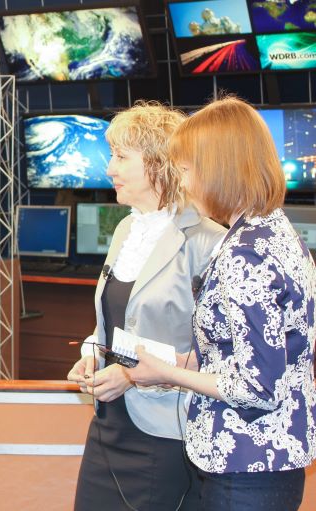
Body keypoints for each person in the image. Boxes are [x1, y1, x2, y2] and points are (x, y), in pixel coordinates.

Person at [126, 96, 316, 511]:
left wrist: (169, 375)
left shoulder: (246, 253)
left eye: (188, 171)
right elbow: (242, 351)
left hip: (245, 466)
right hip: (266, 463)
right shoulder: (275, 231)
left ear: (219, 169)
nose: (185, 184)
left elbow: (256, 386)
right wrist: (177, 362)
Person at [67, 102, 226, 510]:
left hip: (165, 433)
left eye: (121, 157)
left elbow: (219, 354)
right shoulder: (126, 229)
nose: (109, 168)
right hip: (109, 424)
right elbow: (115, 321)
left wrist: (132, 374)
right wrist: (92, 353)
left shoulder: (208, 240)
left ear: (158, 163)